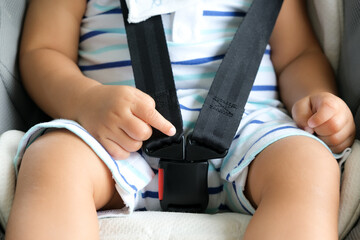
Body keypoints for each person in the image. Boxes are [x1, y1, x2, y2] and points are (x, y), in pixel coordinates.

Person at [5, 0, 356, 239]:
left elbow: (298, 55)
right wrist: (83, 100)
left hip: (251, 134)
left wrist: (315, 100)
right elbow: (43, 50)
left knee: (308, 168)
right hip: (113, 133)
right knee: (54, 162)